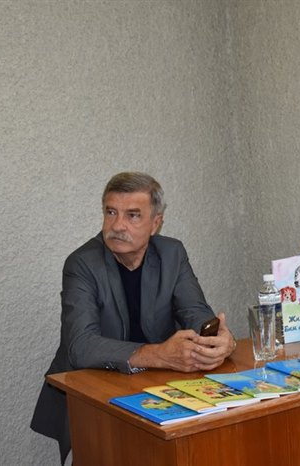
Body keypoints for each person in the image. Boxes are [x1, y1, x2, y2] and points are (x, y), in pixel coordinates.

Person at [30, 171, 236, 464]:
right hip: (95, 396)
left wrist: (220, 340)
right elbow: (81, 346)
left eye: (133, 215)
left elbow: (195, 312)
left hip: (155, 390)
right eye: (111, 212)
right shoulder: (82, 264)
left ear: (156, 223)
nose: (117, 226)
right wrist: (160, 355)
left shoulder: (172, 253)